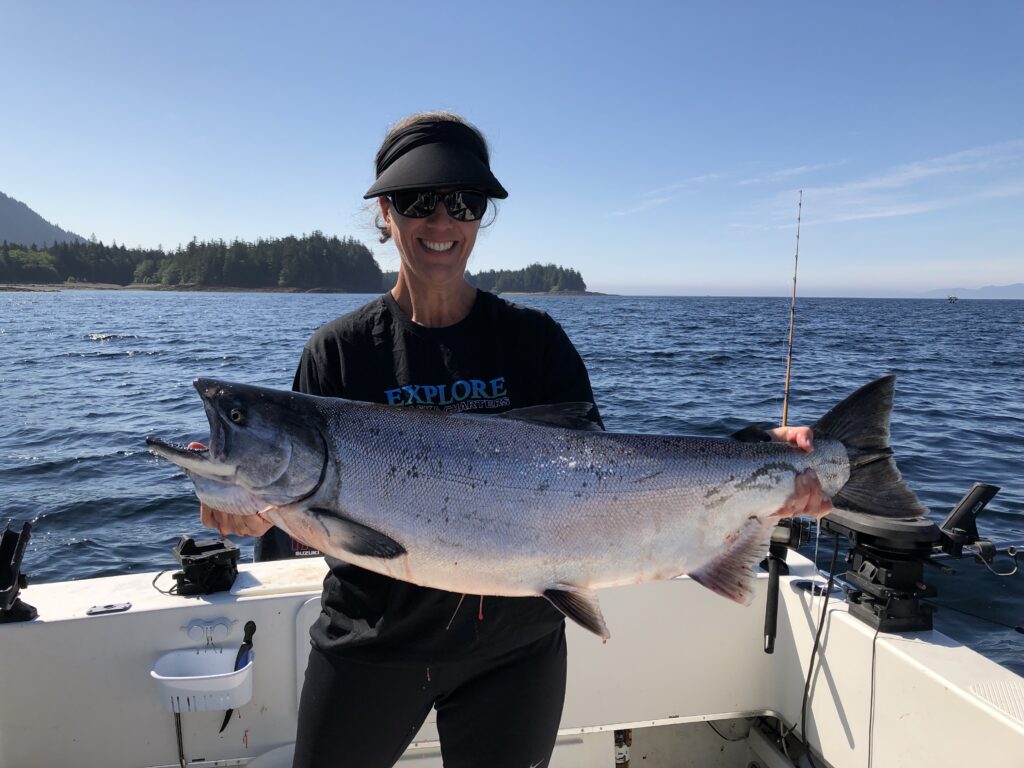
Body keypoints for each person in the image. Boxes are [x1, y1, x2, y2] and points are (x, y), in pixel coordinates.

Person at [200, 111, 830, 768]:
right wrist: (248, 510)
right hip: (372, 644)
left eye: (464, 202)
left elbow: (612, 481)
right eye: (418, 200)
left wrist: (759, 458)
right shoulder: (337, 353)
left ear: (481, 216)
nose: (441, 221)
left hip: (515, 653)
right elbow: (304, 513)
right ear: (385, 211)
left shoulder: (536, 342)